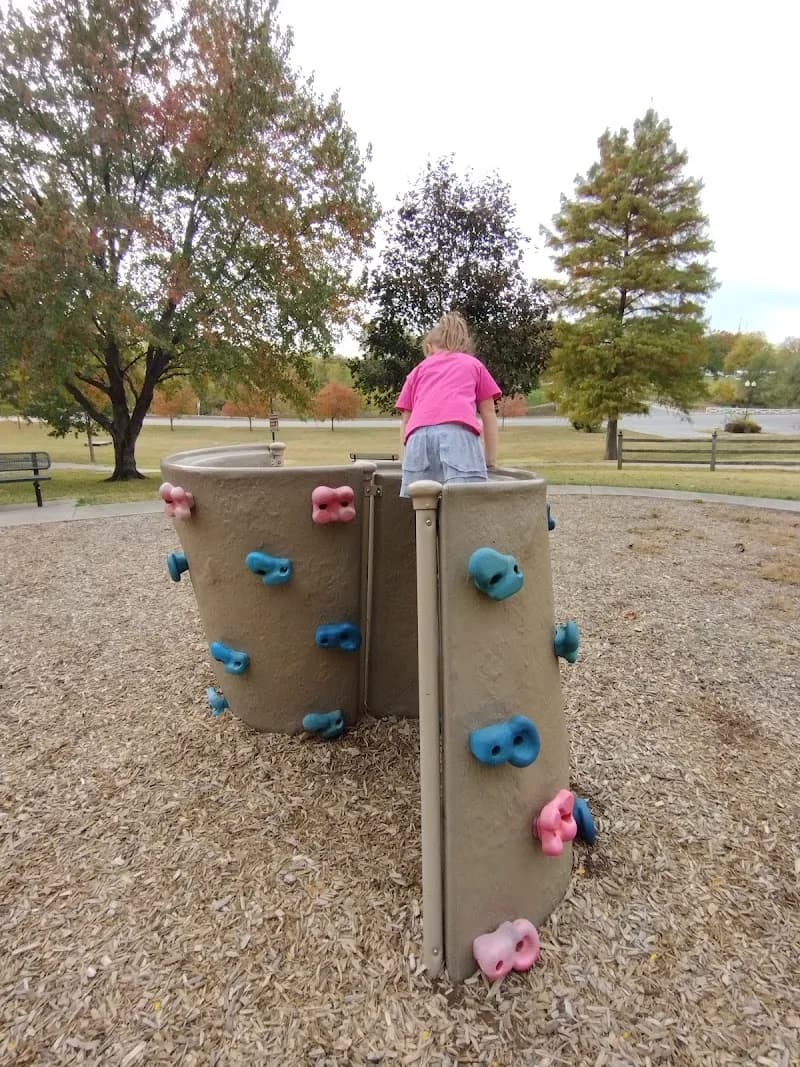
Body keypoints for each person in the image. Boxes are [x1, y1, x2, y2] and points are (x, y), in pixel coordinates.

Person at [396, 312, 501, 497]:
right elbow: (488, 413)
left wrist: (407, 461)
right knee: (464, 501)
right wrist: (489, 459)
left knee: (422, 502)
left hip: (417, 439)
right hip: (457, 435)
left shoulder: (418, 370)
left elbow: (406, 420)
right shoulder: (473, 365)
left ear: (430, 346)